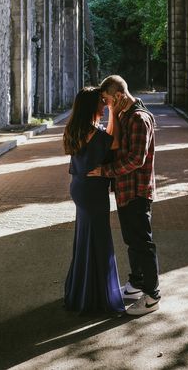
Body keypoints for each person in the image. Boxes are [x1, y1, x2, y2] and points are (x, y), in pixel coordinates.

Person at [88, 75, 160, 316]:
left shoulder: (139, 119)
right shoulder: (124, 116)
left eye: (107, 100)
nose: (106, 104)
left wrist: (105, 171)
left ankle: (152, 296)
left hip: (138, 190)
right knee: (132, 240)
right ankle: (137, 283)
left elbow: (136, 160)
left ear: (118, 96)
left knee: (143, 243)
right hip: (125, 189)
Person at [63, 86, 125, 314]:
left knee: (85, 239)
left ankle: (81, 291)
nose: (103, 104)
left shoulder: (75, 128)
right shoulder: (93, 132)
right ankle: (95, 296)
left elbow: (104, 140)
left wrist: (108, 112)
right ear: (92, 106)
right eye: (100, 101)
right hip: (92, 192)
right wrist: (114, 112)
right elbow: (114, 142)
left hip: (80, 188)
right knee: (99, 240)